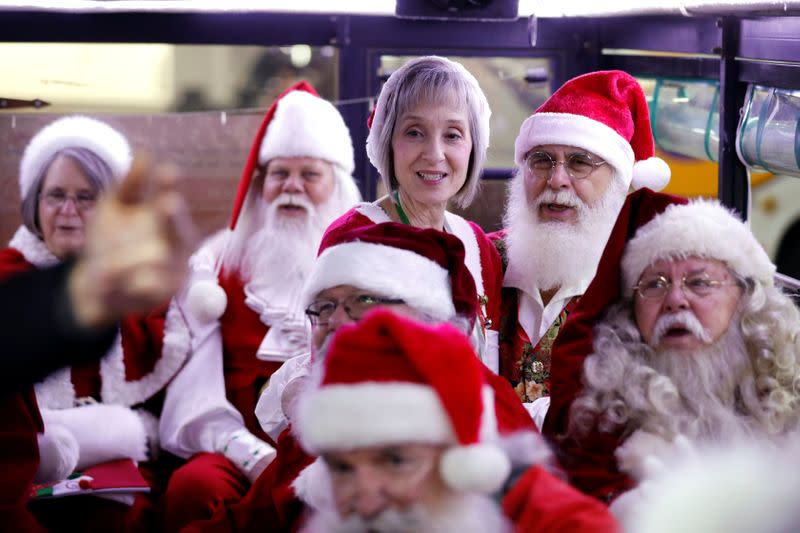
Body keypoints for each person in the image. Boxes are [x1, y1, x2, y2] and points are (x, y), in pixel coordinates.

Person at [184, 222, 538, 533]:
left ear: (425, 315)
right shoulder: (331, 407)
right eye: (324, 307)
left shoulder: (486, 411)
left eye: (363, 300)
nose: (336, 321)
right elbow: (252, 520)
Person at [157, 81, 361, 531]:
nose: (292, 187)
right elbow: (196, 397)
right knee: (193, 488)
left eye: (309, 175)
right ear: (260, 184)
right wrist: (256, 457)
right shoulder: (216, 274)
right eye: (279, 174)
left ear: (337, 186)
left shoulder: (362, 273)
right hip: (233, 448)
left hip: (331, 450)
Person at [0, 116, 193, 531]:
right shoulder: (6, 275)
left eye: (85, 197)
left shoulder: (138, 287)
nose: (68, 211)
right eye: (55, 195)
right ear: (34, 203)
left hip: (117, 480)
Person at [562, 199, 800, 513]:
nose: (675, 300)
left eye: (699, 283)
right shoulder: (604, 423)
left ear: (745, 300)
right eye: (654, 285)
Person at [295, 309, 620, 532]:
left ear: (461, 462)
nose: (365, 503)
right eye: (341, 468)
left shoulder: (567, 525)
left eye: (395, 461)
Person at [493, 70, 671, 426]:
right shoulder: (480, 262)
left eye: (580, 163)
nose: (557, 179)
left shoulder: (640, 288)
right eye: (541, 160)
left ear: (620, 184)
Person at [324, 55, 503, 373]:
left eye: (453, 135)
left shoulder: (479, 248)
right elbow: (333, 370)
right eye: (414, 132)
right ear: (388, 143)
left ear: (474, 147)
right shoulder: (354, 238)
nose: (434, 154)